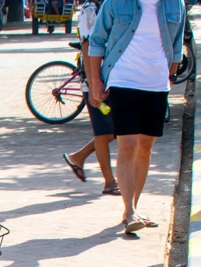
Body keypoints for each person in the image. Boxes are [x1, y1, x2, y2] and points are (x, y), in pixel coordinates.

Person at [86, 0, 186, 233]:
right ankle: (130, 211)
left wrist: (169, 74)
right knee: (128, 145)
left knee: (145, 147)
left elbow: (177, 43)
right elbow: (97, 40)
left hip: (157, 83)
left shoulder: (175, 4)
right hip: (122, 79)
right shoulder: (116, 3)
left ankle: (134, 208)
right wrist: (96, 81)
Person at [64, 0, 121, 194]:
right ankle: (109, 181)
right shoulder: (91, 10)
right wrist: (92, 83)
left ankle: (79, 157)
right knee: (102, 129)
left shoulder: (109, 6)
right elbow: (88, 48)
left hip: (108, 77)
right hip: (96, 79)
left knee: (115, 128)